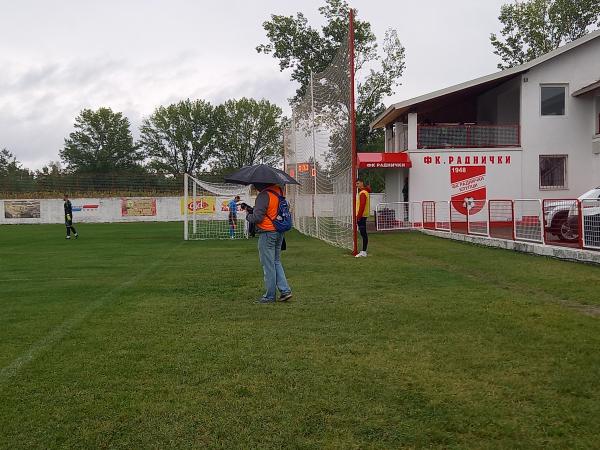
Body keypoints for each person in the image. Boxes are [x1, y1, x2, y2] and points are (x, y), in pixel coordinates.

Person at [246, 183, 292, 303]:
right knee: (276, 261)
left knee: (268, 264)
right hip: (279, 230)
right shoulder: (278, 192)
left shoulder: (263, 195)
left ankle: (270, 296)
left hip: (267, 232)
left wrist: (248, 215)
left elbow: (257, 218)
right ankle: (285, 290)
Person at [355, 179, 371, 257]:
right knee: (362, 233)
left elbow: (362, 205)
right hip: (363, 216)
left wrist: (358, 216)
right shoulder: (364, 192)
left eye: (358, 183)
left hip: (362, 216)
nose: (357, 185)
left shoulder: (363, 193)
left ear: (362, 183)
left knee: (363, 233)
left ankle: (364, 251)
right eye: (356, 184)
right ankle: (363, 251)